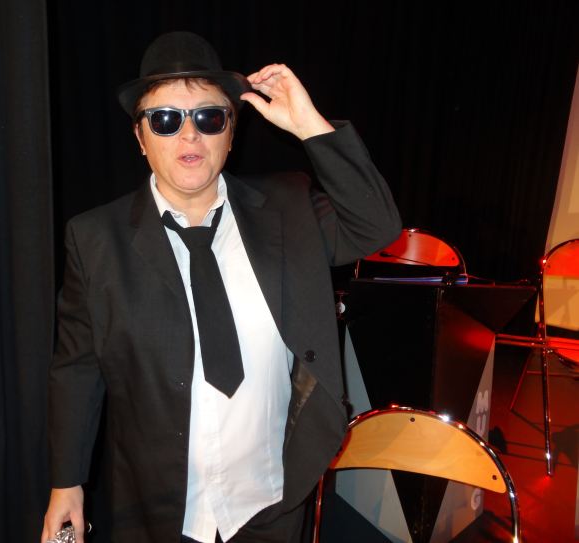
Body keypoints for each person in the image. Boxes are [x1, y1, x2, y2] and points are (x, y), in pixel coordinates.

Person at [42, 31, 401, 543]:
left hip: (272, 503)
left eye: (209, 117)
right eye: (166, 120)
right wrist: (67, 481)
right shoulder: (95, 239)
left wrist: (309, 126)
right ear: (140, 138)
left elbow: (377, 225)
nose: (189, 135)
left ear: (231, 133)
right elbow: (77, 368)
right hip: (157, 510)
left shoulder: (289, 208)